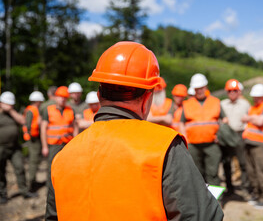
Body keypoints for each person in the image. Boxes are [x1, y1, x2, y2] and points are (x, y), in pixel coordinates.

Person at [45, 41, 223, 221]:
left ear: (99, 95)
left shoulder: (62, 157)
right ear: (147, 99)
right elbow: (203, 217)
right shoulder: (165, 147)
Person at [180, 73, 226, 186]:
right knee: (197, 174)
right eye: (196, 89)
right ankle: (201, 201)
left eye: (201, 88)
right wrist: (185, 138)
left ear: (205, 87)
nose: (199, 91)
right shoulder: (187, 104)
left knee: (213, 173)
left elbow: (224, 120)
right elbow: (182, 122)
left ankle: (215, 201)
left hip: (212, 144)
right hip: (193, 145)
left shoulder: (215, 102)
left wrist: (219, 135)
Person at [0, 92, 37, 204]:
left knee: (20, 168)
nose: (10, 106)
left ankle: (24, 191)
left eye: (11, 104)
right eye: (7, 104)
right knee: (1, 172)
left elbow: (23, 121)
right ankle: (2, 194)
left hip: (15, 147)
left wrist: (11, 111)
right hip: (1, 147)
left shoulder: (14, 113)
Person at [242, 84, 263, 209]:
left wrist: (249, 118)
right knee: (252, 172)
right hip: (249, 143)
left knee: (262, 172)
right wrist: (252, 118)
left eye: (258, 97)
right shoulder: (253, 108)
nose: (256, 99)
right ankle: (257, 194)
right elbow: (245, 119)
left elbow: (261, 121)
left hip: (261, 145)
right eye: (255, 97)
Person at [40, 86, 78, 187]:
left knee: (68, 167)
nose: (62, 99)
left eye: (64, 97)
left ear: (67, 98)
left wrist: (75, 144)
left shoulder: (71, 110)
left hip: (67, 144)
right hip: (53, 145)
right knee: (52, 168)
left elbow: (75, 127)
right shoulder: (48, 110)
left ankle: (65, 188)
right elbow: (43, 129)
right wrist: (44, 146)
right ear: (56, 97)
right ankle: (51, 191)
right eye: (60, 97)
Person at [219, 79, 250, 195]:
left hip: (239, 134)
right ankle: (229, 188)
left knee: (243, 163)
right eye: (230, 91)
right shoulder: (222, 104)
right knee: (226, 163)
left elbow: (249, 120)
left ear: (239, 92)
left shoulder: (245, 104)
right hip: (226, 136)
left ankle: (245, 187)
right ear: (227, 92)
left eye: (235, 90)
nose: (232, 93)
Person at [23, 91, 45, 191]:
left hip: (35, 137)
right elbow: (28, 125)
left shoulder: (34, 109)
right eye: (40, 101)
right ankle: (31, 184)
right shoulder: (31, 110)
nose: (40, 103)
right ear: (37, 101)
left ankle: (33, 182)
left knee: (35, 160)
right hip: (33, 139)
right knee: (33, 160)